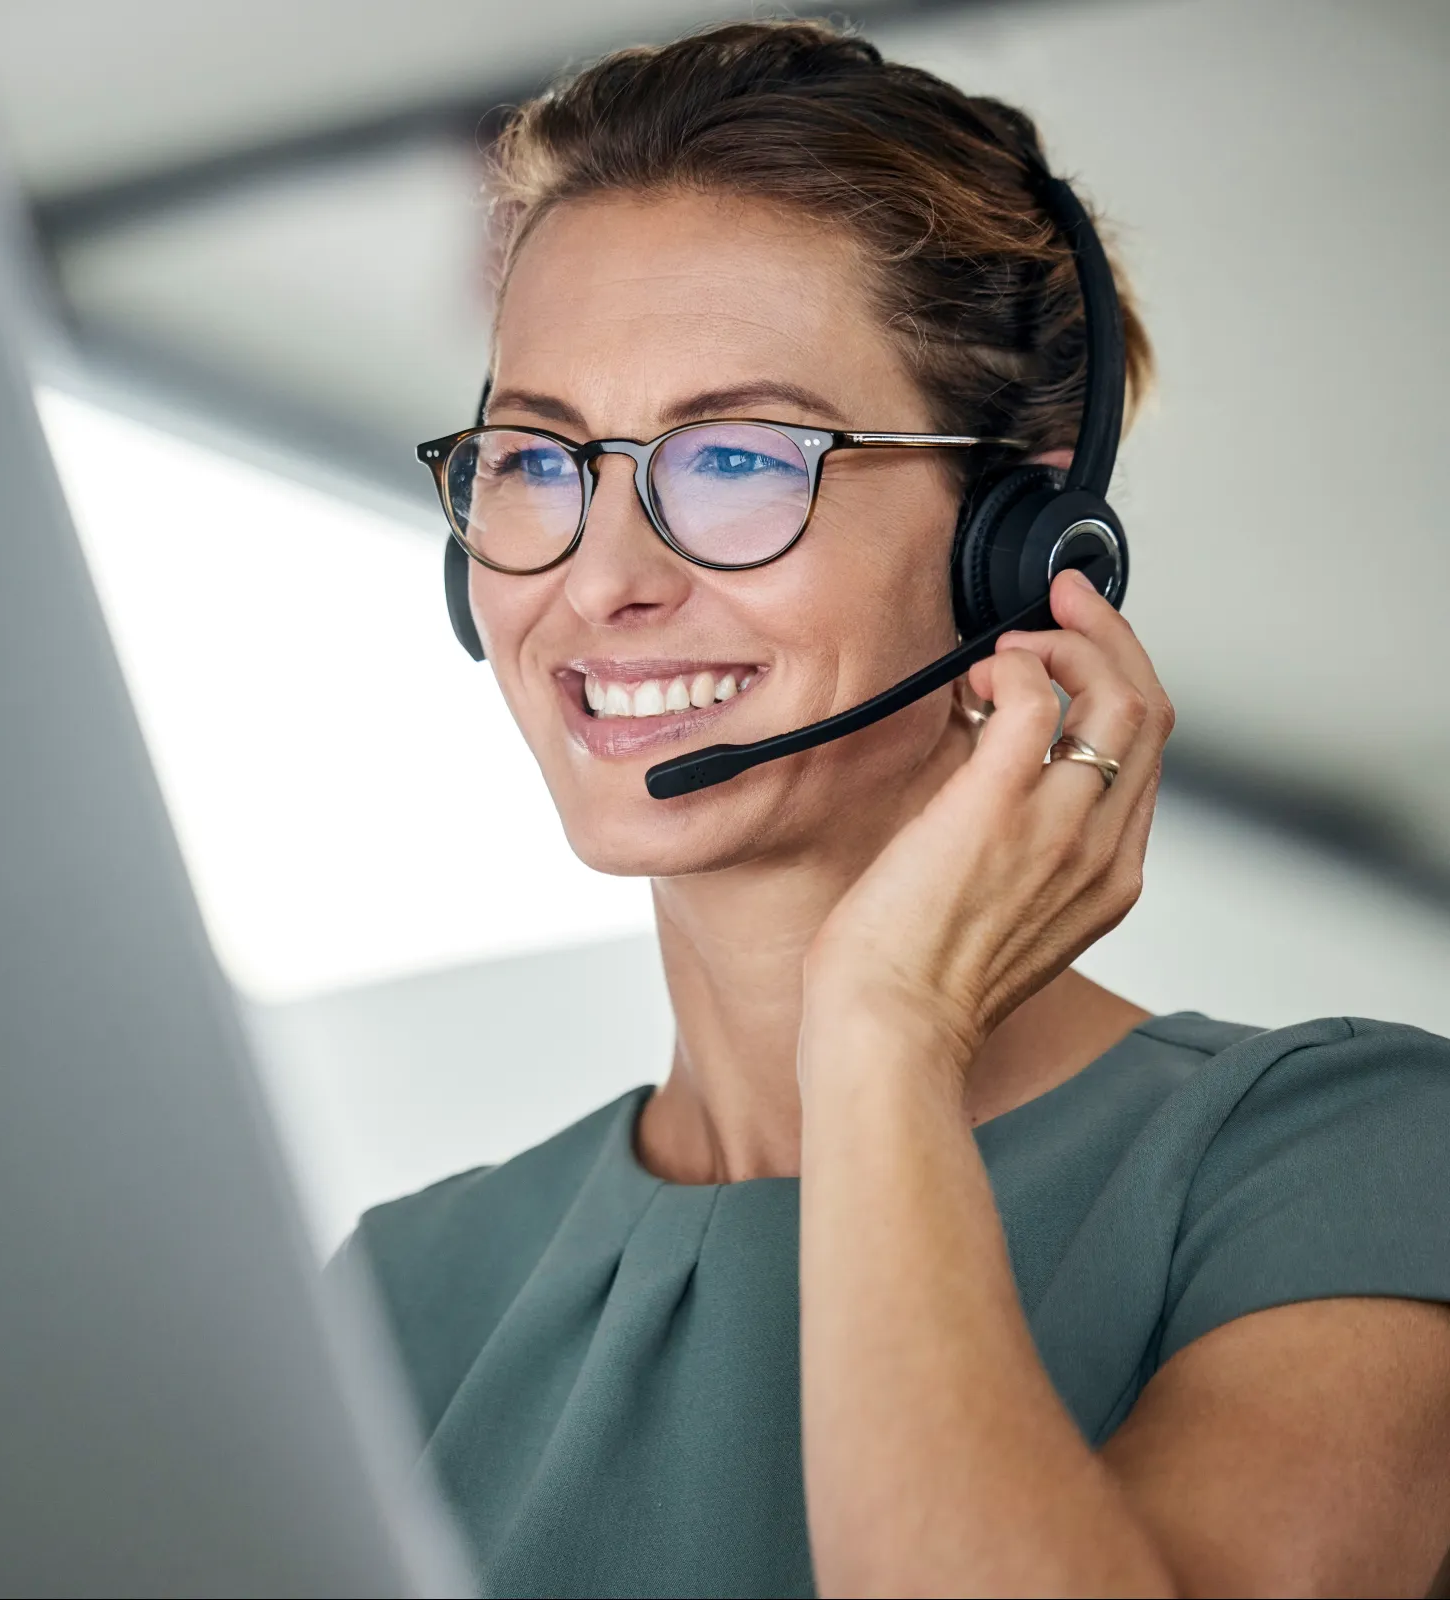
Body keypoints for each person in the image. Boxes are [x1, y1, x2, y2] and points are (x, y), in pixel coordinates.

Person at [341, 21, 1450, 1597]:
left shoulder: (1338, 1164)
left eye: (735, 455)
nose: (598, 579)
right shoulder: (392, 1300)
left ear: (1021, 538)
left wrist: (882, 1032)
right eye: (539, 459)